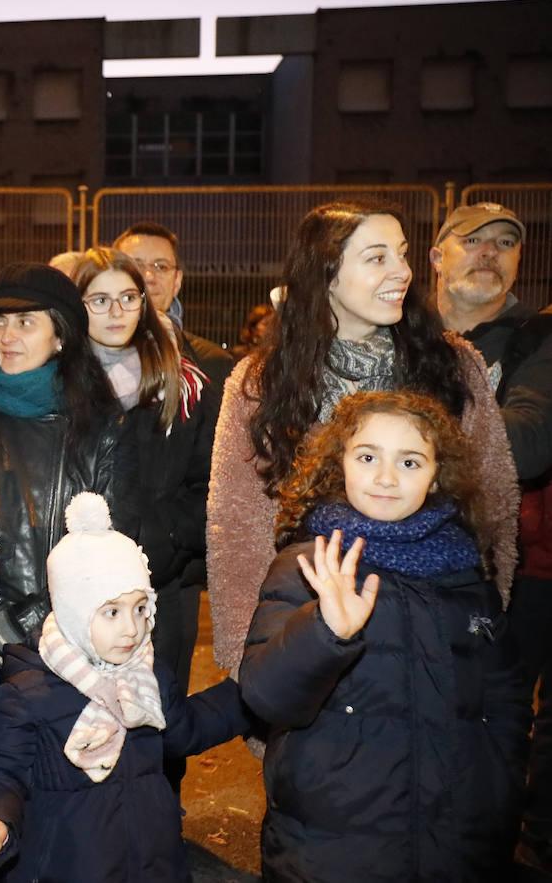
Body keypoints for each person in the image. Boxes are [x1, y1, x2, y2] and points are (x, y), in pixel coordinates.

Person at [206, 199, 520, 680]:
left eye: (402, 253)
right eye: (377, 257)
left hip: (436, 640)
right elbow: (239, 527)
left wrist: (482, 627)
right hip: (314, 635)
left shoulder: (452, 367)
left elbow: (493, 500)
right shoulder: (264, 382)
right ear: (326, 273)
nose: (402, 272)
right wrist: (254, 665)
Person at [239, 391, 528, 881]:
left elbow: (506, 698)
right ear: (341, 464)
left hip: (459, 845)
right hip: (334, 848)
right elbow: (266, 697)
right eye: (368, 456)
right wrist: (325, 632)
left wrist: (500, 790)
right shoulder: (309, 565)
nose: (387, 478)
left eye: (410, 461)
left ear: (436, 474)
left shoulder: (464, 570)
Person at [0, 493, 247, 883]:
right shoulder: (29, 693)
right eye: (111, 612)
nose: (131, 628)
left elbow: (186, 727)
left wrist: (249, 692)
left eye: (140, 608)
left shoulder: (147, 675)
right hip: (68, 866)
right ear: (75, 611)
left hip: (151, 862)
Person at [0, 262, 137, 738]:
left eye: (25, 322)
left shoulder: (100, 428)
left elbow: (110, 549)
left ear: (61, 337)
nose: (7, 335)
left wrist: (30, 621)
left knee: (56, 795)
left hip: (68, 645)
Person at [429, 201, 552, 869]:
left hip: (501, 572)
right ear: (437, 255)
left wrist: (401, 441)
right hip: (393, 569)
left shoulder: (536, 337)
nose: (488, 252)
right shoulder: (397, 329)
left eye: (505, 243)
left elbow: (528, 444)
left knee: (491, 731)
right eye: (470, 239)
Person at [69, 247, 217, 749]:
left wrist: (164, 538)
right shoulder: (59, 386)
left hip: (160, 587)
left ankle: (158, 826)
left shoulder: (185, 385)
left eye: (128, 297)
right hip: (76, 589)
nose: (116, 312)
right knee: (83, 727)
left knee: (159, 722)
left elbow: (209, 484)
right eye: (99, 300)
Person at [112, 221, 234, 384]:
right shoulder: (82, 360)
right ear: (108, 276)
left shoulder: (212, 365)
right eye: (135, 265)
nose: (148, 276)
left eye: (161, 267)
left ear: (177, 281)